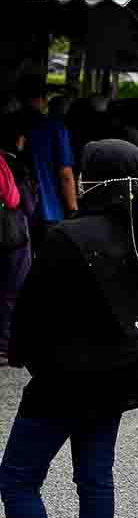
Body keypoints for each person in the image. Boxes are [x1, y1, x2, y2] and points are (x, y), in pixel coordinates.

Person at [0, 140, 138, 518]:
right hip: (117, 377)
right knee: (95, 480)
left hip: (61, 378)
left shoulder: (66, 237)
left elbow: (31, 312)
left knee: (18, 478)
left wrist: (26, 356)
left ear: (94, 178)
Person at [13, 75, 77, 241]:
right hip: (49, 211)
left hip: (13, 213)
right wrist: (73, 209)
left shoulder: (9, 125)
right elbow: (65, 175)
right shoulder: (55, 128)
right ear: (42, 99)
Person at [0, 144, 31, 366]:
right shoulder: (8, 163)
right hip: (10, 233)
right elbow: (16, 200)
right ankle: (5, 345)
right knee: (12, 290)